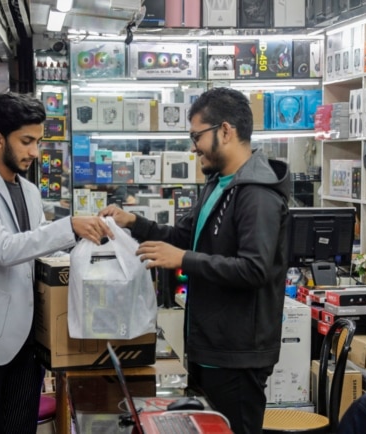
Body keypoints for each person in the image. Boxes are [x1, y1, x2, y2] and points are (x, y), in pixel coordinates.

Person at [100, 87, 291, 434]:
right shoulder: (219, 183)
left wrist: (184, 260)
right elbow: (185, 238)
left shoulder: (257, 194)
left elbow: (254, 268)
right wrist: (135, 223)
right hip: (211, 346)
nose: (193, 147)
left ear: (225, 131)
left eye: (196, 136)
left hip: (237, 354)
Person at [0, 92, 113, 434]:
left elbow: (37, 249)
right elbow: (5, 249)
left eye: (38, 141)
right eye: (26, 142)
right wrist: (67, 225)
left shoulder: (30, 191)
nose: (34, 153)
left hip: (29, 342)